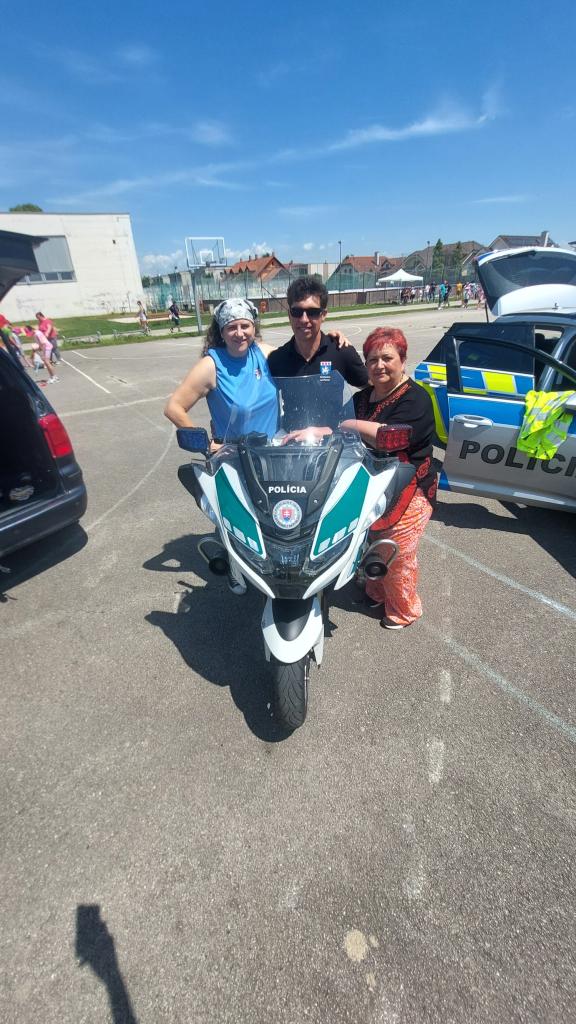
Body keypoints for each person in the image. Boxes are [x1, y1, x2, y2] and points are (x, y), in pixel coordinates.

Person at [340, 326, 437, 630]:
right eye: (372, 360)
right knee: (372, 544)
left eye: (387, 358)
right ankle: (377, 592)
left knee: (398, 552)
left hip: (409, 486)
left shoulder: (416, 399)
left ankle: (405, 610)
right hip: (370, 483)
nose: (379, 365)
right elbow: (334, 425)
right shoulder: (362, 398)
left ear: (403, 361)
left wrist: (349, 424)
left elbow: (388, 437)